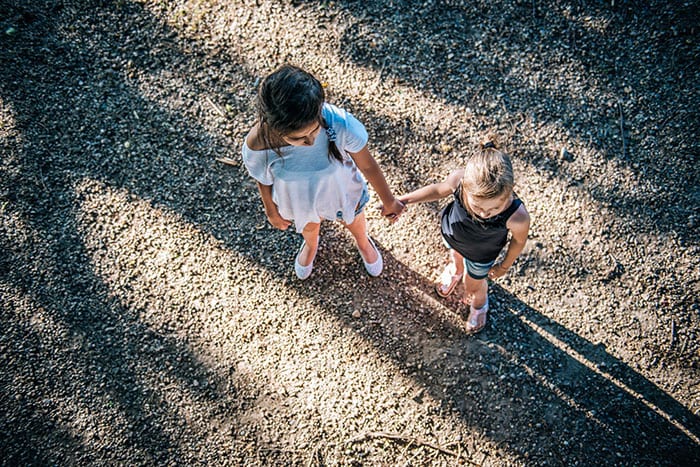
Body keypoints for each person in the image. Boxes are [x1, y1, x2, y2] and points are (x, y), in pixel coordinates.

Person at [242, 64, 405, 280]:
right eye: (299, 139)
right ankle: (311, 245)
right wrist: (271, 211)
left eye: (314, 132)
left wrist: (389, 200)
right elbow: (262, 178)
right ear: (273, 128)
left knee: (354, 221)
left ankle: (363, 242)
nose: (310, 142)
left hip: (342, 192)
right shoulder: (258, 144)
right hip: (300, 202)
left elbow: (368, 165)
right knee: (309, 229)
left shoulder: (341, 124)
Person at [397, 142, 530, 333]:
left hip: (481, 254)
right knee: (455, 254)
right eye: (477, 207)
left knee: (473, 285)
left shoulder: (518, 216)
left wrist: (504, 266)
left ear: (509, 193)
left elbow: (519, 241)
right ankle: (456, 268)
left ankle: (479, 305)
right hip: (453, 234)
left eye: (494, 209)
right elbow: (437, 190)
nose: (485, 214)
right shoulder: (459, 180)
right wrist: (404, 200)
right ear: (465, 188)